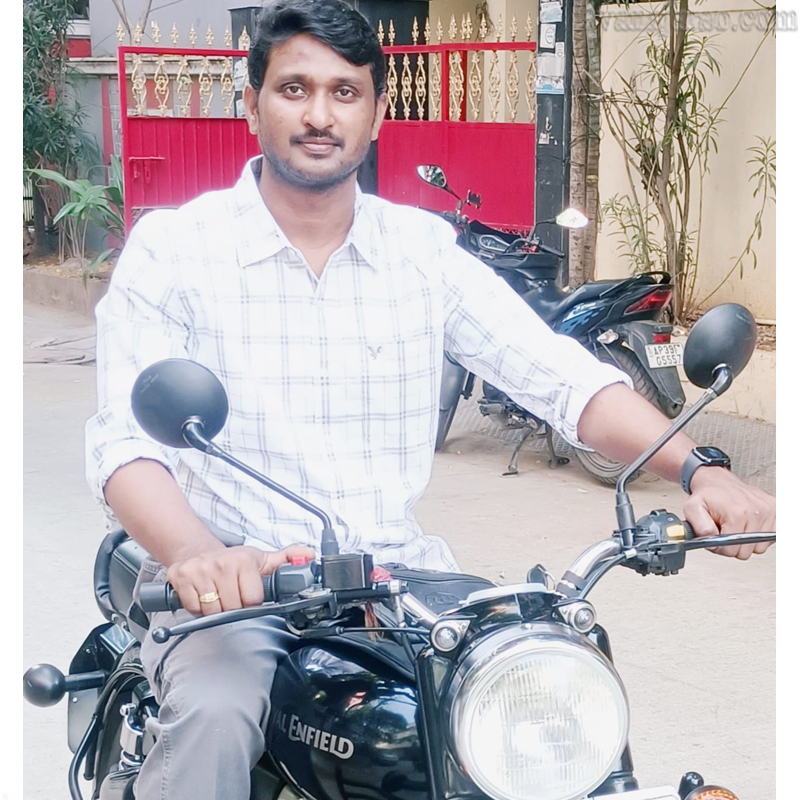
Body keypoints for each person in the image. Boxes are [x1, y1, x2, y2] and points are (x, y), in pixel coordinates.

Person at [85, 0, 776, 797]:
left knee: (548, 680)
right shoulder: (177, 251)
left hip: (401, 577)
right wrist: (200, 555)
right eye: (294, 89)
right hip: (241, 587)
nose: (319, 115)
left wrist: (699, 469)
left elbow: (558, 375)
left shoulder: (419, 252)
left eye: (345, 92)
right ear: (251, 104)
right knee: (216, 713)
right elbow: (125, 444)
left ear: (378, 113)